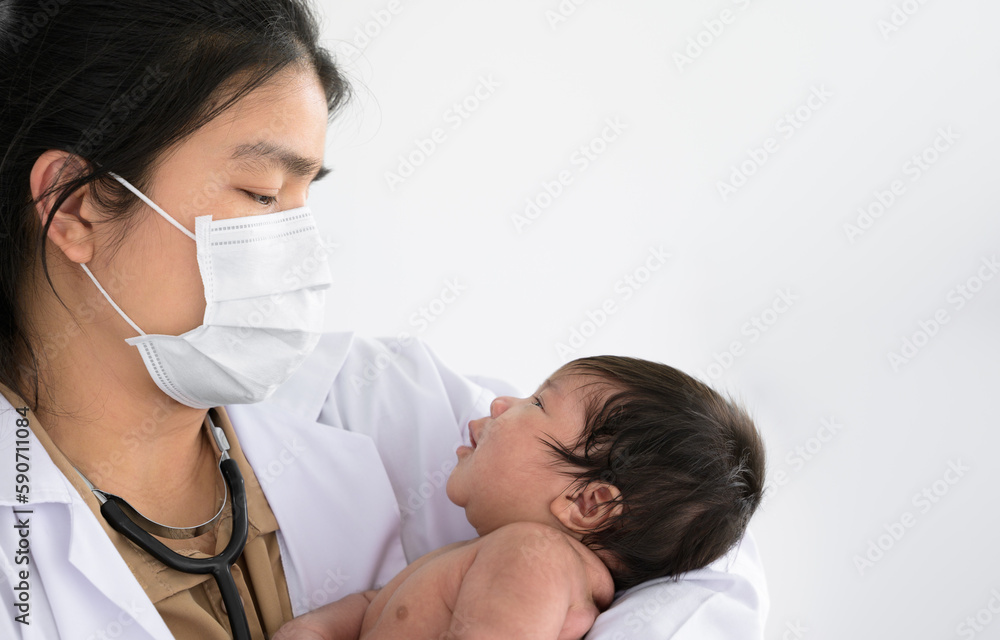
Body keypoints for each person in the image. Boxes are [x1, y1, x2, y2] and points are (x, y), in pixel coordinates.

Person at [0, 1, 767, 638]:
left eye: (305, 202)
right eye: (263, 195)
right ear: (74, 206)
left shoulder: (375, 397)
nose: (300, 250)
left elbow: (696, 536)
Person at [273, 356, 765, 640]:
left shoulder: (534, 559)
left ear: (587, 504)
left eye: (537, 403)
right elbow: (379, 604)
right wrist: (316, 630)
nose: (499, 402)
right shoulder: (492, 552)